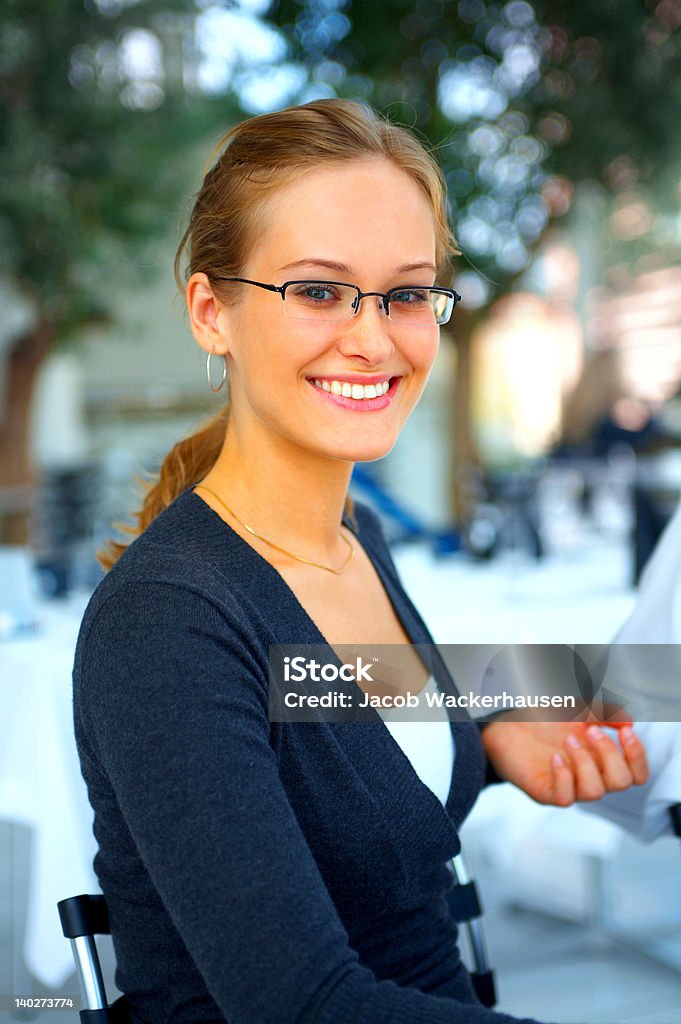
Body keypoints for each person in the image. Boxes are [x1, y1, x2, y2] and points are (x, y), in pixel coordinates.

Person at [72, 99, 649, 1024]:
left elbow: (327, 711)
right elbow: (301, 1004)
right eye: (316, 289)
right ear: (211, 311)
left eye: (407, 293)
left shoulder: (353, 541)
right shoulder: (166, 621)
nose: (374, 338)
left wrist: (488, 737)